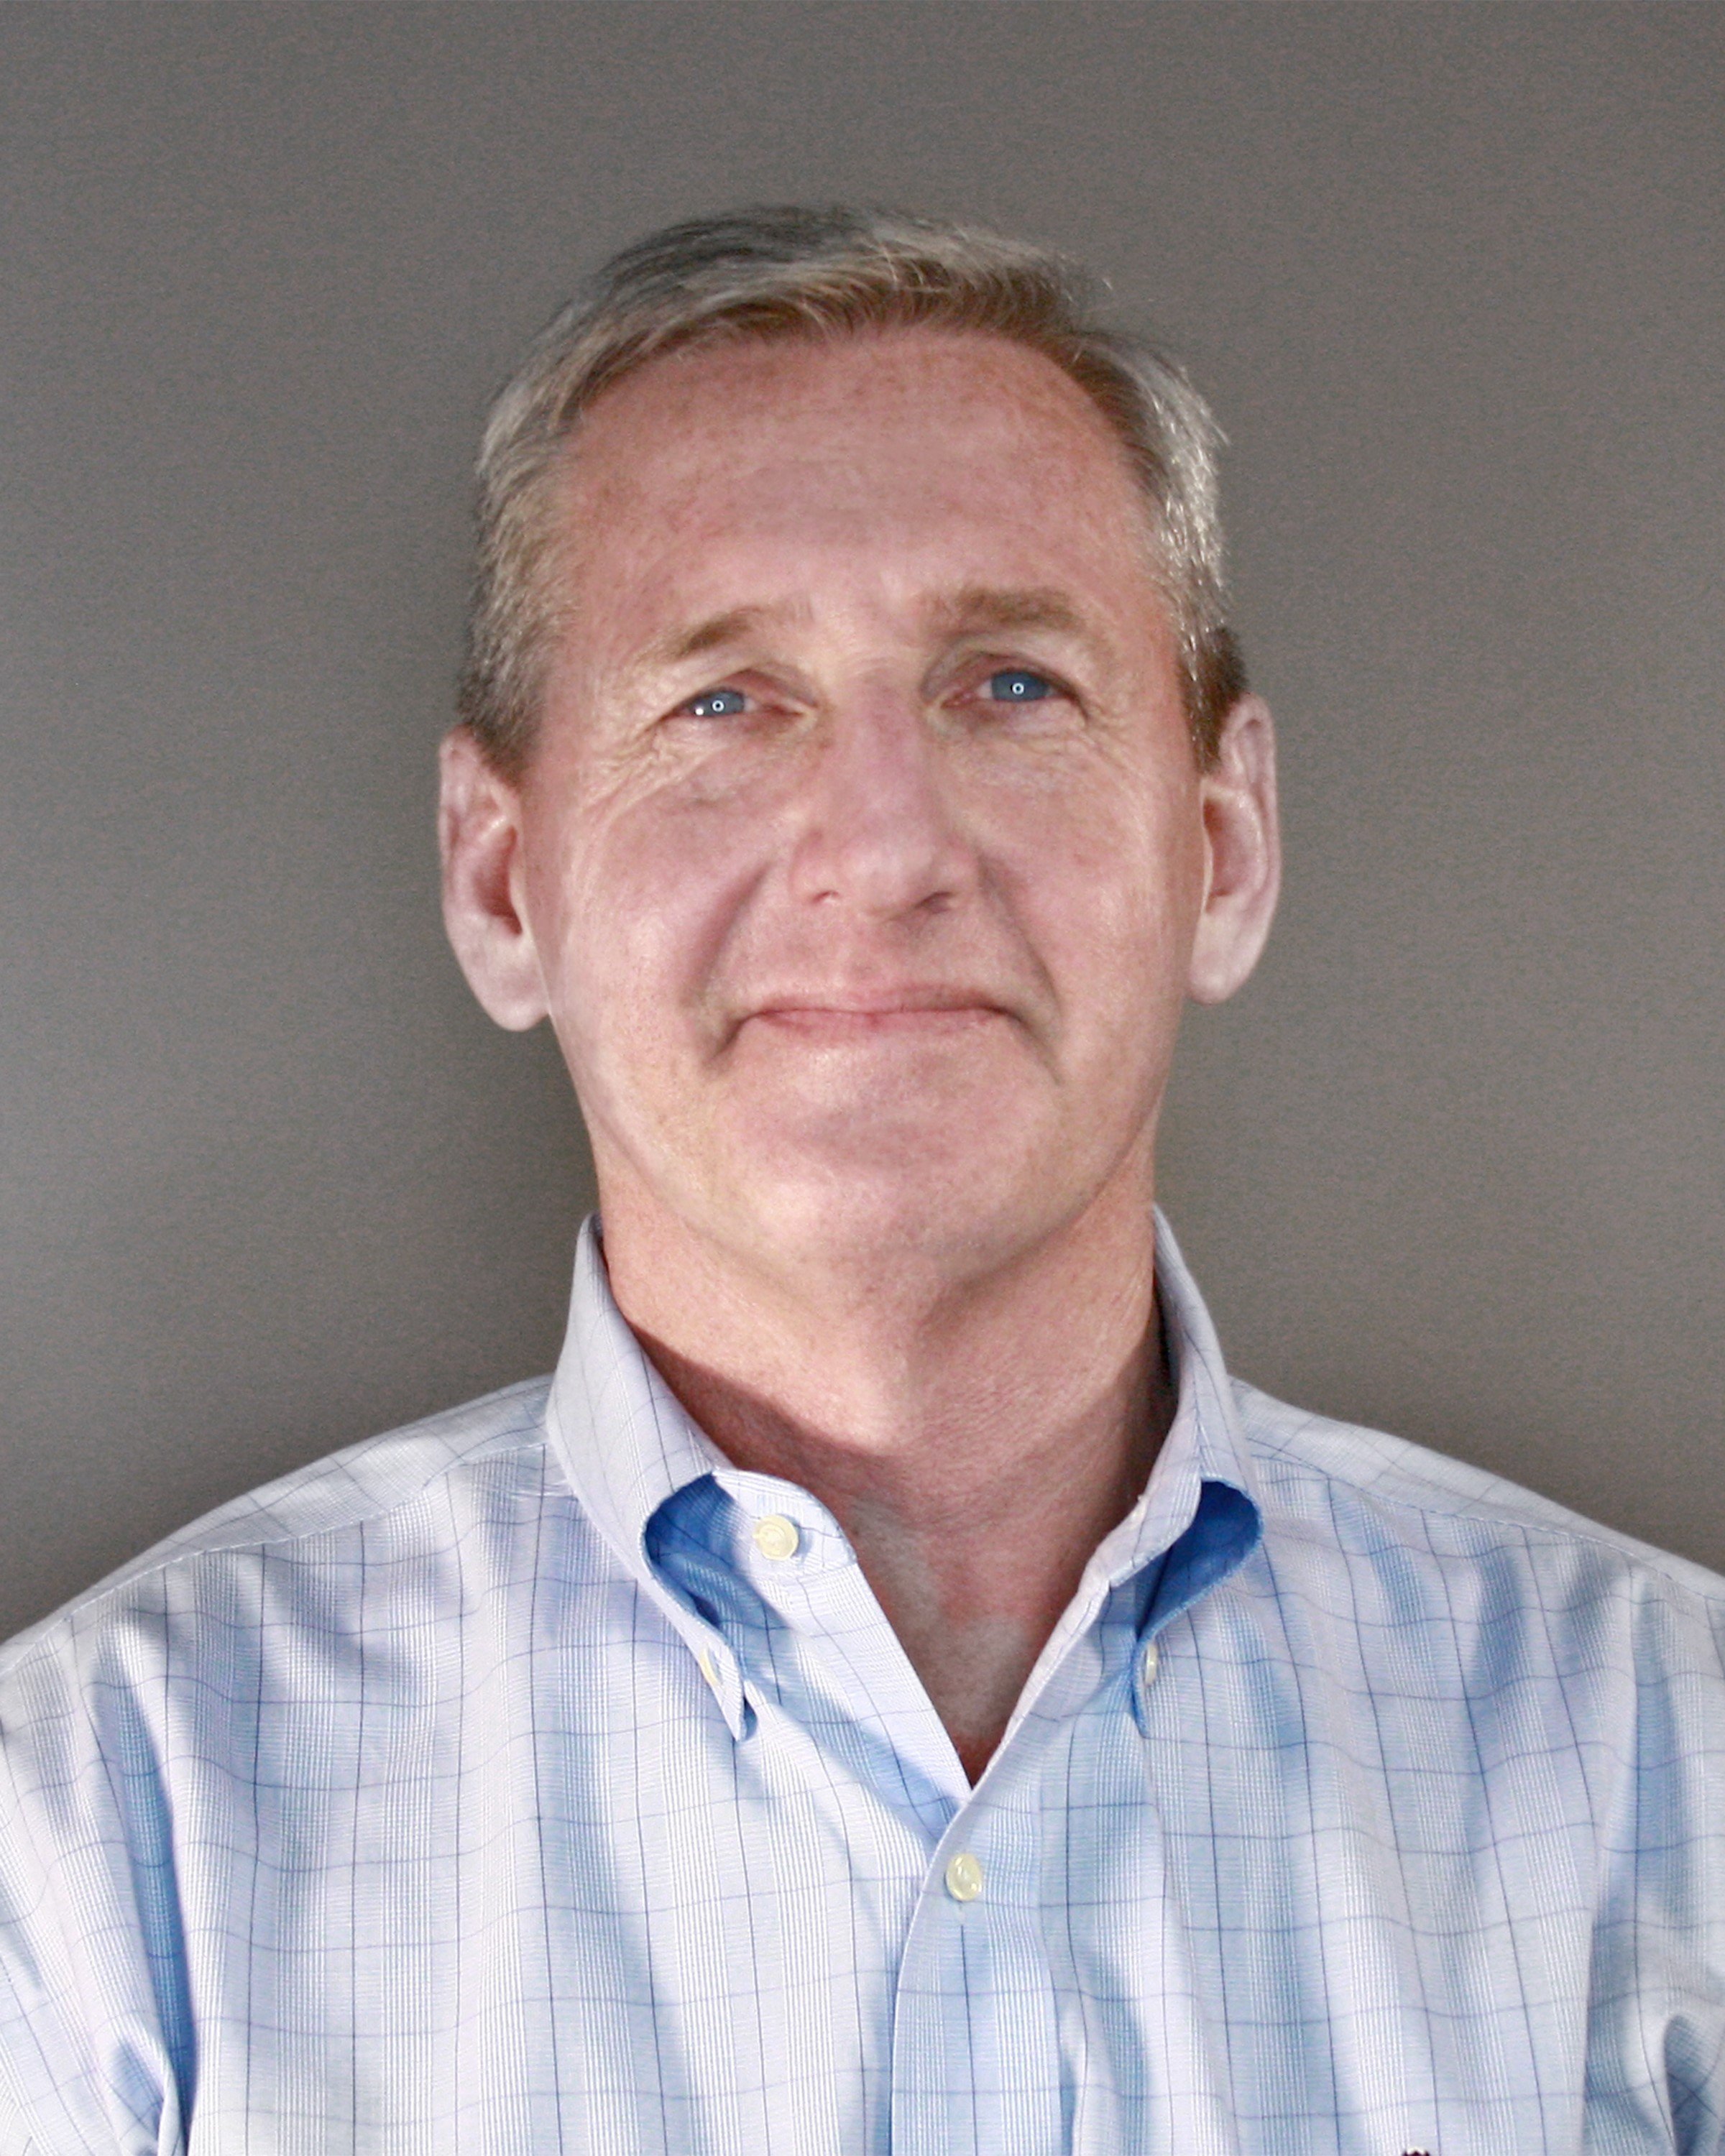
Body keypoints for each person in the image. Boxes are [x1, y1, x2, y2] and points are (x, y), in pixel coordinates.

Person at [1, 206, 1721, 2156]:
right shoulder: (99, 1847)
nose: (886, 849)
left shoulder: (1676, 1781)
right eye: (724, 703)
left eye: (1012, 686)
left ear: (1226, 849)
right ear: (500, 886)